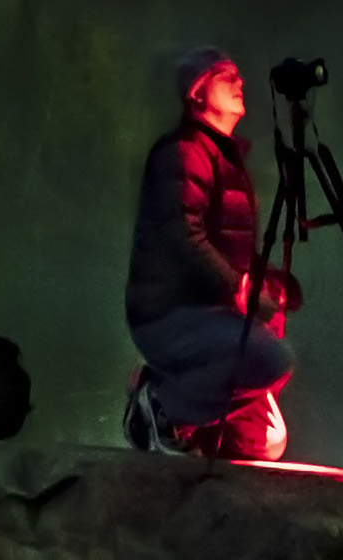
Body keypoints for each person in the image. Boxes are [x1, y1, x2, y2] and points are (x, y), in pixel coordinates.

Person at [121, 47, 292, 460]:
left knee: (265, 446)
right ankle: (160, 409)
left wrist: (268, 281)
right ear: (198, 94)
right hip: (168, 313)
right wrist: (241, 290)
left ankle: (171, 393)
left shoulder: (224, 158)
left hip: (206, 312)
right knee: (269, 358)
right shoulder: (182, 153)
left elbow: (227, 245)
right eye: (226, 76)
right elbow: (184, 238)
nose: (241, 82)